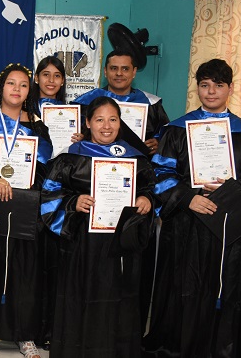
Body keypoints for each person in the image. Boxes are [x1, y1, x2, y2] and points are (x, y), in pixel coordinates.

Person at [142, 59, 241, 357]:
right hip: (186, 225)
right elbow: (159, 175)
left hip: (230, 227)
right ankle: (177, 349)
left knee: (228, 287)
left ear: (230, 89)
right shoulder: (178, 129)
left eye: (219, 85)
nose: (211, 92)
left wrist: (231, 190)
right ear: (197, 88)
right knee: (184, 287)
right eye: (204, 85)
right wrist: (186, 197)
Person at [41, 97, 156, 357]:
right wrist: (73, 201)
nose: (107, 126)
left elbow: (152, 187)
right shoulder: (71, 157)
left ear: (120, 123)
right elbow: (48, 195)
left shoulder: (135, 157)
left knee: (119, 299)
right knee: (81, 297)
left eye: (113, 120)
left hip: (121, 245)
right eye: (100, 120)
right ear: (88, 123)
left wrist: (146, 198)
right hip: (83, 243)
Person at [0, 63, 52, 358]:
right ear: (0, 88)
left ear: (29, 91)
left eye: (22, 85)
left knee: (25, 271)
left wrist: (28, 183)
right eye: (11, 84)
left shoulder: (37, 127)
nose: (16, 89)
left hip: (25, 206)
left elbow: (47, 168)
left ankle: (24, 334)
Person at [71, 50, 170, 155]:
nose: (119, 73)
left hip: (139, 165)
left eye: (125, 69)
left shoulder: (151, 104)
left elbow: (167, 135)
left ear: (134, 72)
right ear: (105, 71)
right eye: (114, 68)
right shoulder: (85, 103)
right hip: (91, 162)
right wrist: (81, 138)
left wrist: (158, 142)